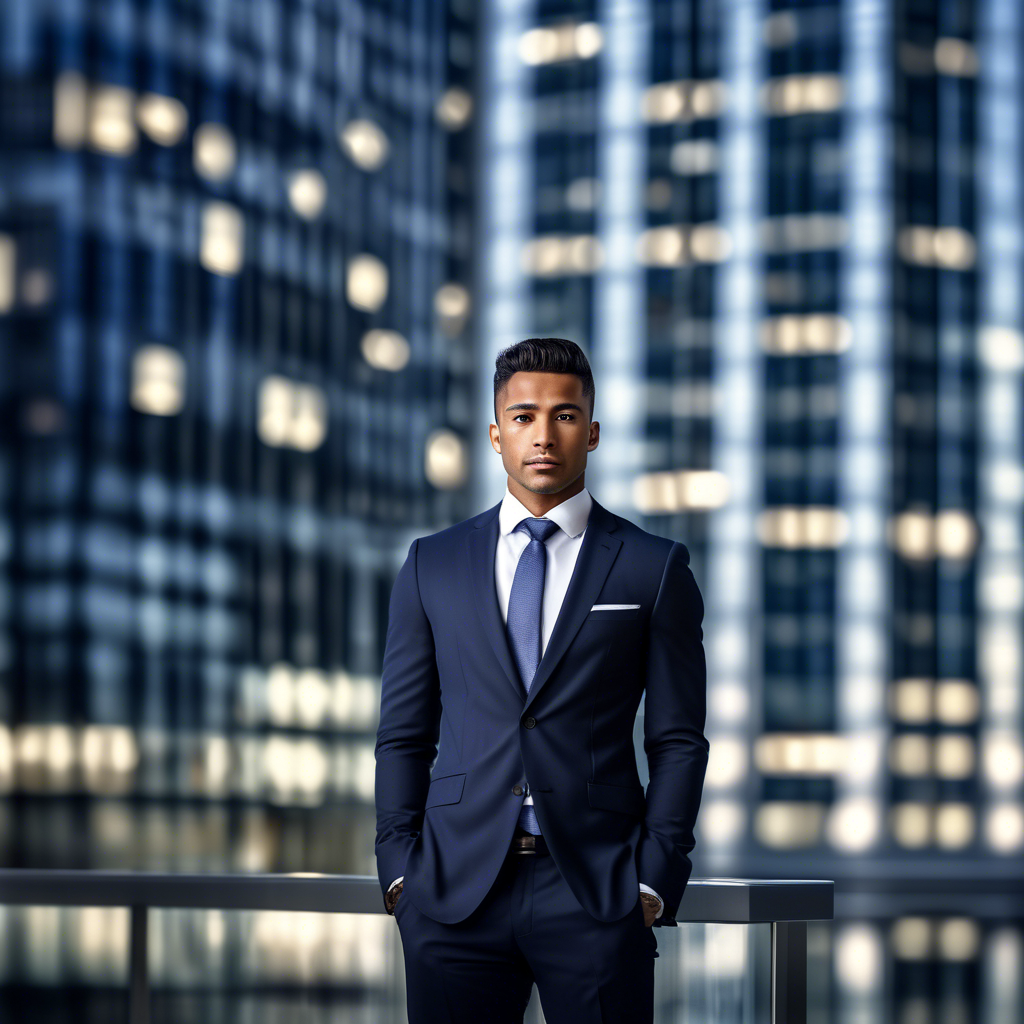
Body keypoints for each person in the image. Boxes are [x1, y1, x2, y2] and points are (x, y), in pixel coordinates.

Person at [374, 338, 708, 1024]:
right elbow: (403, 735)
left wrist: (654, 880)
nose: (543, 435)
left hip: (596, 890)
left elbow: (678, 740)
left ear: (592, 432)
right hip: (452, 892)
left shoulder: (653, 567)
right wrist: (400, 872)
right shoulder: (432, 563)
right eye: (523, 417)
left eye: (564, 416)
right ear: (496, 434)